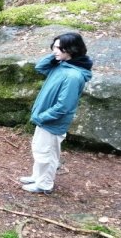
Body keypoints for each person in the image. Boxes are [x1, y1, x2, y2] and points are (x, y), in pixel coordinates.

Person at [20, 32, 93, 194]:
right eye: (54, 47)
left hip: (52, 121)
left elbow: (63, 107)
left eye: (60, 48)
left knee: (47, 153)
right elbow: (40, 67)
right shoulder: (62, 65)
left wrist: (42, 117)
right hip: (45, 118)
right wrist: (55, 55)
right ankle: (37, 177)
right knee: (40, 149)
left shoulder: (73, 75)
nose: (55, 51)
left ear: (72, 50)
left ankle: (44, 184)